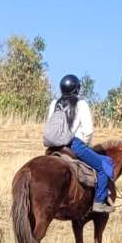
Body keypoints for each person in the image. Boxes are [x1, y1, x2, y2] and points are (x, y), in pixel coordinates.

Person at [47, 74, 115, 213]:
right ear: (77, 89)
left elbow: (49, 124)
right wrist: (87, 146)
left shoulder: (54, 103)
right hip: (74, 145)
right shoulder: (81, 103)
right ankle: (99, 202)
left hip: (53, 146)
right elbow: (88, 131)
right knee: (104, 165)